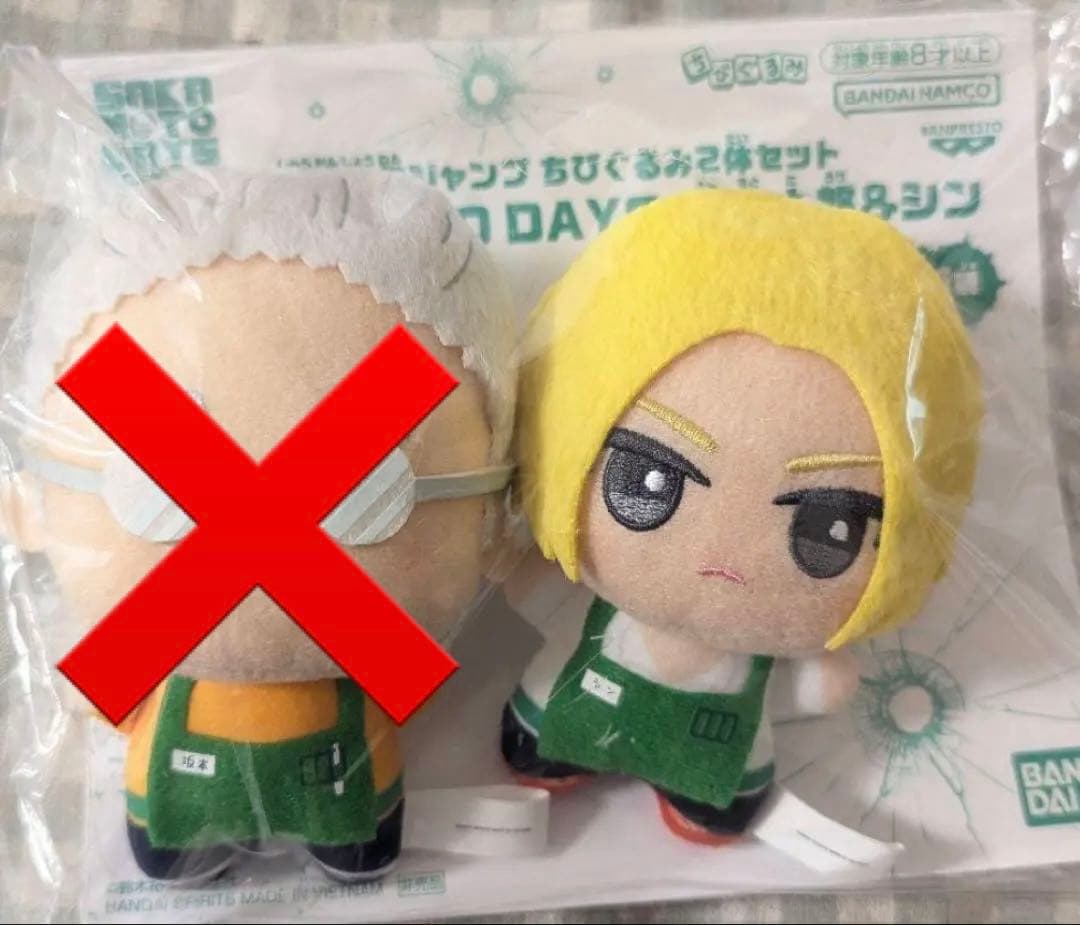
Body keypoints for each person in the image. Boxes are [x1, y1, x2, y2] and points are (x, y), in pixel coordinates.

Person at [17, 170, 516, 881]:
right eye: (153, 493)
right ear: (29, 509)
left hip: (341, 770)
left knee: (352, 815)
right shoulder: (143, 653)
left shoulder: (141, 647)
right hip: (185, 781)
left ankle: (344, 838)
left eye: (366, 497)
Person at [501, 188, 982, 844]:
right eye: (648, 481)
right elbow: (529, 589)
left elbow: (810, 690)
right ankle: (552, 753)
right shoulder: (591, 597)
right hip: (563, 719)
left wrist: (816, 681)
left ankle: (698, 802)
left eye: (826, 529)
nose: (724, 552)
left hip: (714, 763)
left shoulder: (761, 654)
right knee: (543, 727)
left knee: (715, 787)